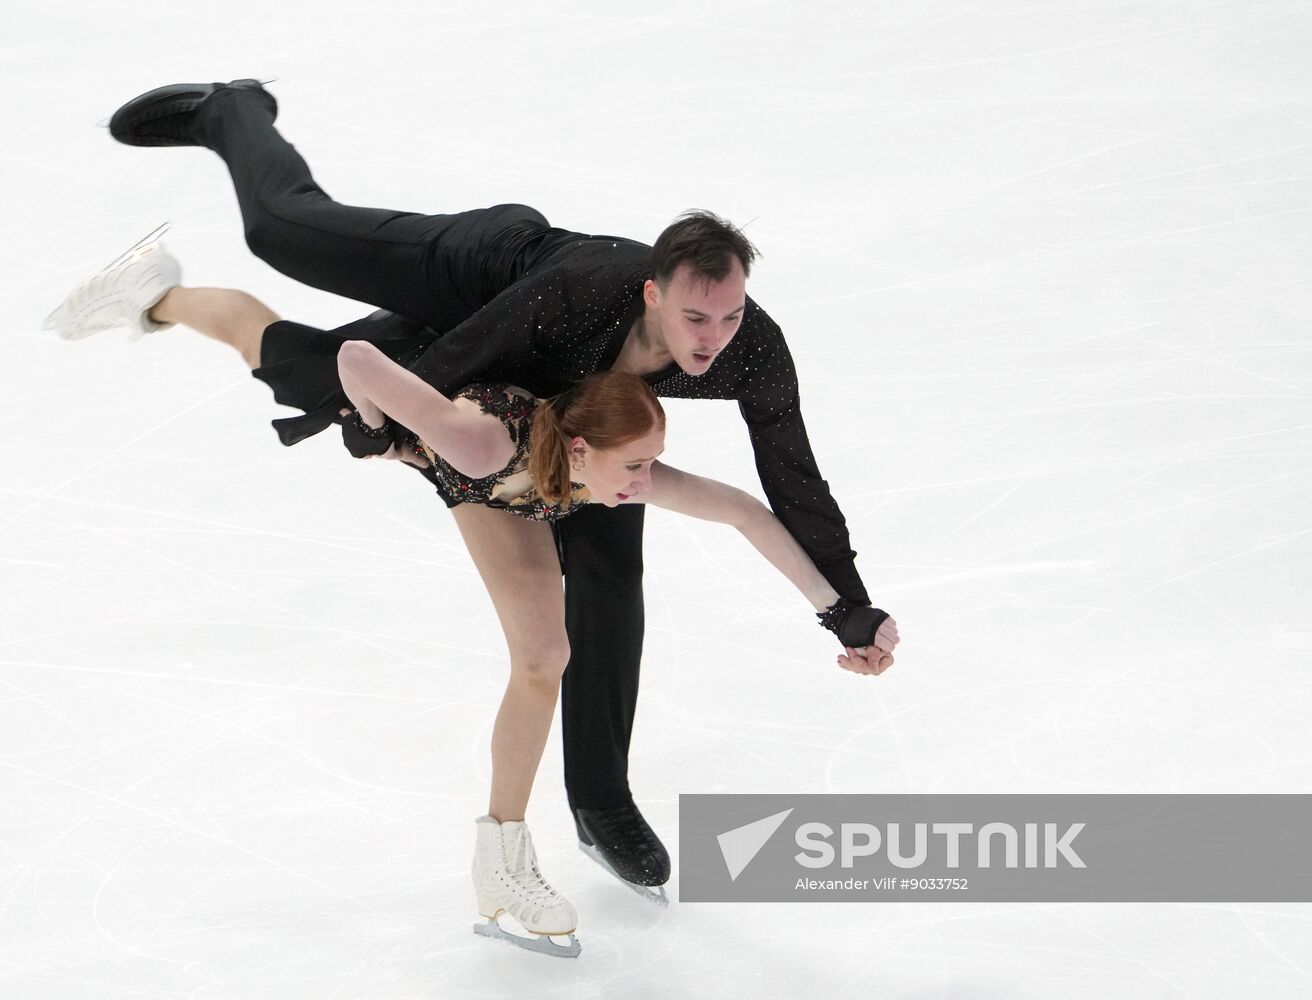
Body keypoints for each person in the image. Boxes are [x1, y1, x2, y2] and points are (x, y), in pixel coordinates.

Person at [98, 79, 901, 900]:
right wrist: (382, 429)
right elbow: (459, 355)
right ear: (654, 294)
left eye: (729, 317)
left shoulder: (749, 348)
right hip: (482, 290)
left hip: (579, 423)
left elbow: (784, 479)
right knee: (282, 237)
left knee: (611, 577)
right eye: (697, 319)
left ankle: (600, 801)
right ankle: (232, 110)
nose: (714, 339)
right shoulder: (583, 288)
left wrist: (846, 606)